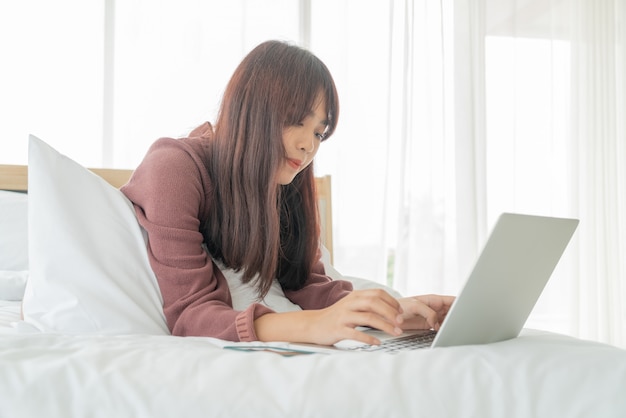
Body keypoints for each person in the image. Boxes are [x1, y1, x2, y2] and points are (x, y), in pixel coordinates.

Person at [121, 40, 454, 346]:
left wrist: (396, 314)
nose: (308, 145)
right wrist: (313, 326)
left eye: (319, 134)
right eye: (297, 121)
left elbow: (307, 283)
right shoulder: (174, 168)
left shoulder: (284, 183)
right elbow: (190, 315)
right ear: (252, 109)